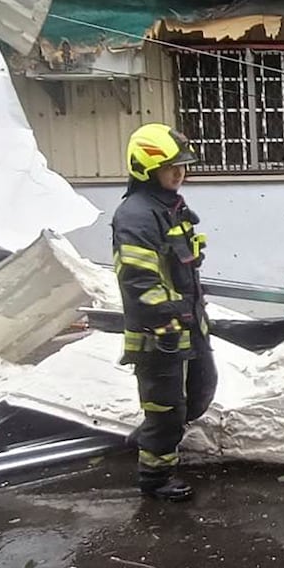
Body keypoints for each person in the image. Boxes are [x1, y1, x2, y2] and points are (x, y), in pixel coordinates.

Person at [113, 123, 215, 502]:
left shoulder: (170, 206)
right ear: (145, 168)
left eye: (182, 166)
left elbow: (184, 262)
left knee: (200, 393)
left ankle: (147, 437)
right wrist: (167, 319)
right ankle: (154, 478)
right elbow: (138, 280)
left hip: (189, 325)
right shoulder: (136, 215)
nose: (179, 173)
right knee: (166, 409)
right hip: (160, 334)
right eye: (171, 166)